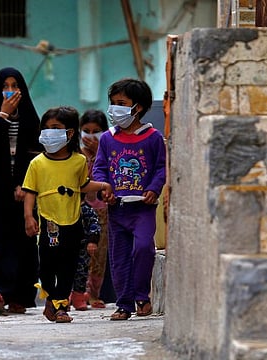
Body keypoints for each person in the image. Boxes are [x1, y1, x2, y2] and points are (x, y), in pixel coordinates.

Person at [22, 106, 113, 323]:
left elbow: (83, 185)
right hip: (48, 225)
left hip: (73, 223)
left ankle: (60, 306)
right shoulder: (37, 164)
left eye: (55, 128)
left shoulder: (78, 161)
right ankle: (52, 298)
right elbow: (29, 192)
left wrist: (103, 185)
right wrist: (28, 216)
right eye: (46, 128)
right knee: (46, 268)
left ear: (69, 133)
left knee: (67, 267)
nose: (49, 132)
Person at [93, 78, 167, 320]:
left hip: (143, 209)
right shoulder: (107, 138)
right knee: (119, 257)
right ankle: (124, 304)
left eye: (121, 103)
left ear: (138, 107)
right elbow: (100, 169)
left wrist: (154, 189)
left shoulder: (153, 137)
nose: (115, 108)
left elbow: (161, 167)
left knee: (145, 248)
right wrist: (105, 190)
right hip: (117, 209)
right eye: (113, 103)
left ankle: (141, 296)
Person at [0, 67, 41, 314]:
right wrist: (3, 114)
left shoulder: (30, 119)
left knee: (25, 243)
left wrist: (25, 186)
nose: (11, 90)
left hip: (25, 192)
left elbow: (36, 154)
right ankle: (1, 292)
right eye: (6, 85)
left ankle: (22, 297)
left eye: (15, 85)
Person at [79, 109, 110, 309]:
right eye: (86, 131)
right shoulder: (75, 156)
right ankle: (77, 292)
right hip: (80, 209)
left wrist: (99, 153)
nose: (91, 135)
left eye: (96, 131)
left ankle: (93, 293)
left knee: (98, 254)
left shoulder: (107, 153)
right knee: (80, 253)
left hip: (102, 210)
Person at [70, 195, 101, 311]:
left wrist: (92, 241)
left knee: (81, 273)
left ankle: (78, 296)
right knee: (65, 272)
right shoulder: (64, 211)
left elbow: (94, 225)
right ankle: (64, 297)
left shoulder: (86, 210)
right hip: (66, 248)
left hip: (83, 248)